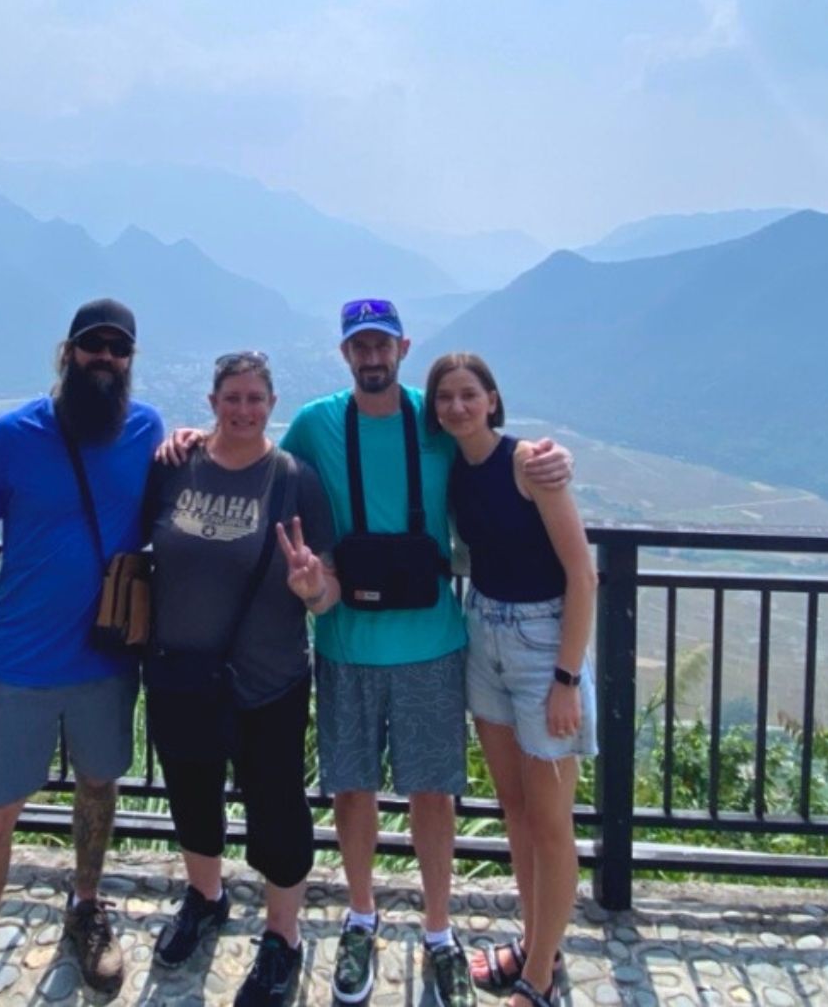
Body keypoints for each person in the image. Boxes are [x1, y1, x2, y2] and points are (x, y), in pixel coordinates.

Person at [168, 298, 573, 1007]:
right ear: (346, 354)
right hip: (346, 639)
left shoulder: (438, 416)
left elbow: (490, 444)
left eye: (383, 344)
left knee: (432, 794)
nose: (373, 357)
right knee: (351, 788)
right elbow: (251, 444)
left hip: (433, 641)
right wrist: (189, 437)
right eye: (361, 346)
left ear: (403, 347)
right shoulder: (321, 422)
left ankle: (439, 929)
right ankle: (362, 913)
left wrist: (548, 455)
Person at [0, 299, 164, 1007]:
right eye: (93, 347)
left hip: (107, 656)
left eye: (118, 350)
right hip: (22, 662)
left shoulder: (148, 429)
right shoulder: (12, 436)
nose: (105, 359)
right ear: (67, 353)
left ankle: (86, 906)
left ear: (129, 360)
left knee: (99, 785)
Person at [145, 350, 338, 1006]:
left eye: (256, 399)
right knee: (192, 794)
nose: (244, 409)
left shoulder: (293, 481)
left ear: (271, 405)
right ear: (212, 401)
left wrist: (313, 589)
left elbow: (327, 588)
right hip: (180, 673)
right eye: (233, 397)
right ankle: (205, 896)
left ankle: (282, 937)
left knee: (278, 811)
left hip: (269, 679)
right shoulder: (175, 466)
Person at [427, 353, 596, 1007]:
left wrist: (565, 678)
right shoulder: (453, 471)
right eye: (446, 398)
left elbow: (582, 575)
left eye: (469, 394)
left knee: (552, 822)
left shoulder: (529, 463)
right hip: (485, 634)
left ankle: (541, 974)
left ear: (493, 400)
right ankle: (535, 944)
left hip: (544, 643)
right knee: (518, 812)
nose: (458, 407)